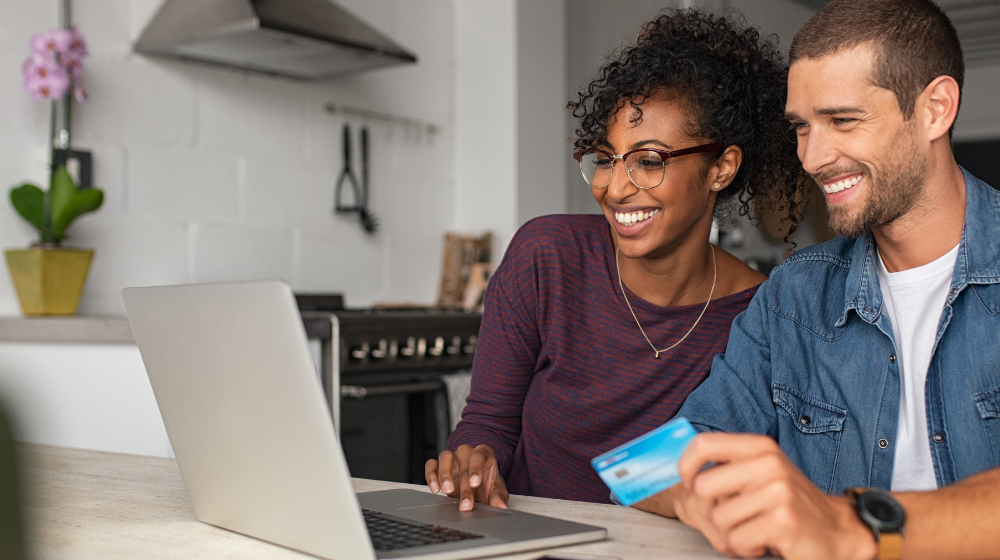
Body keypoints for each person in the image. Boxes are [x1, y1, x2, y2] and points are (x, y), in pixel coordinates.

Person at [638, 1, 1000, 559]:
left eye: (843, 120)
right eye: (802, 127)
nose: (811, 156)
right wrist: (702, 491)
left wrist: (851, 526)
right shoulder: (794, 296)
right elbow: (649, 466)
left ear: (935, 109)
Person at [424, 9, 807, 511]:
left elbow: (695, 472)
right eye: (606, 158)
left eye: (649, 161)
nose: (616, 187)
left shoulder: (760, 316)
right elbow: (487, 423)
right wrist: (472, 464)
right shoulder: (546, 257)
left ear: (722, 168)